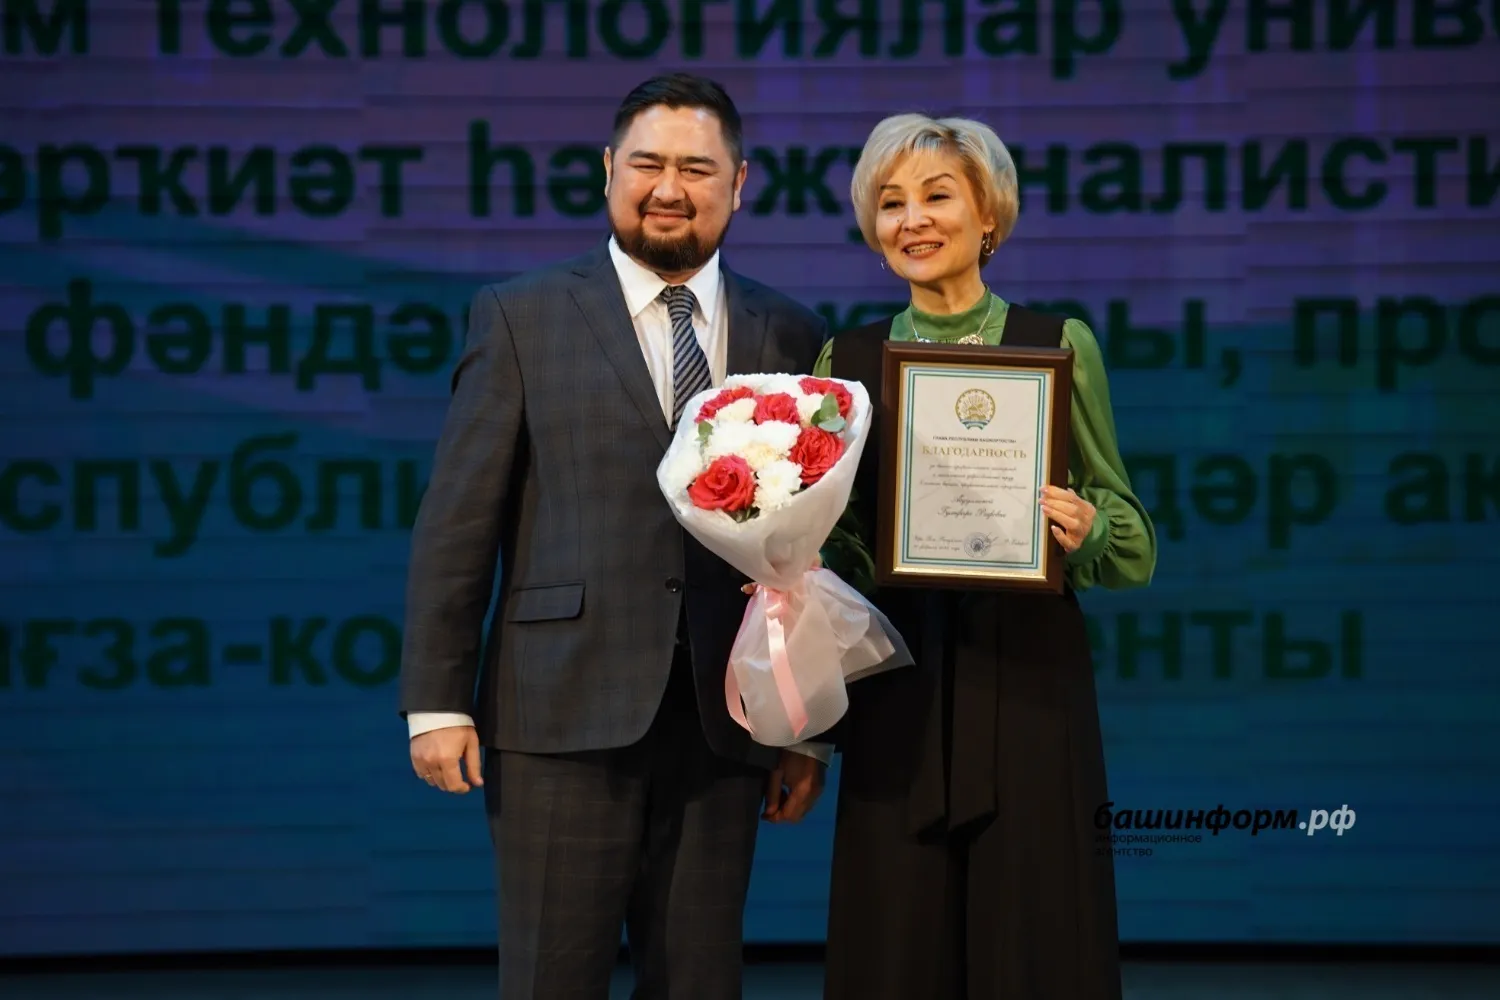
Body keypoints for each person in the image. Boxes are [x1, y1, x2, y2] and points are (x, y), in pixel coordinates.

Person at [398, 72, 831, 1000]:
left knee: (699, 983)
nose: (668, 188)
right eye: (646, 164)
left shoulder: (792, 333)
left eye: (696, 169)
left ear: (739, 183)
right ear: (607, 170)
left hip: (725, 722)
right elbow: (458, 520)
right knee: (551, 980)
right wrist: (435, 701)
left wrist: (809, 731)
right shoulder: (521, 316)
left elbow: (809, 554)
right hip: (560, 712)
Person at [812, 113, 1158, 1000]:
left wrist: (1087, 527)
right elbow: (837, 536)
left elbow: (1133, 540)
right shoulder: (846, 360)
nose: (912, 220)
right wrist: (798, 559)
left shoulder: (1058, 343)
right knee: (896, 947)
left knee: (1036, 941)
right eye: (890, 202)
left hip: (1030, 681)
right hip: (899, 685)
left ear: (989, 215)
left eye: (937, 195)